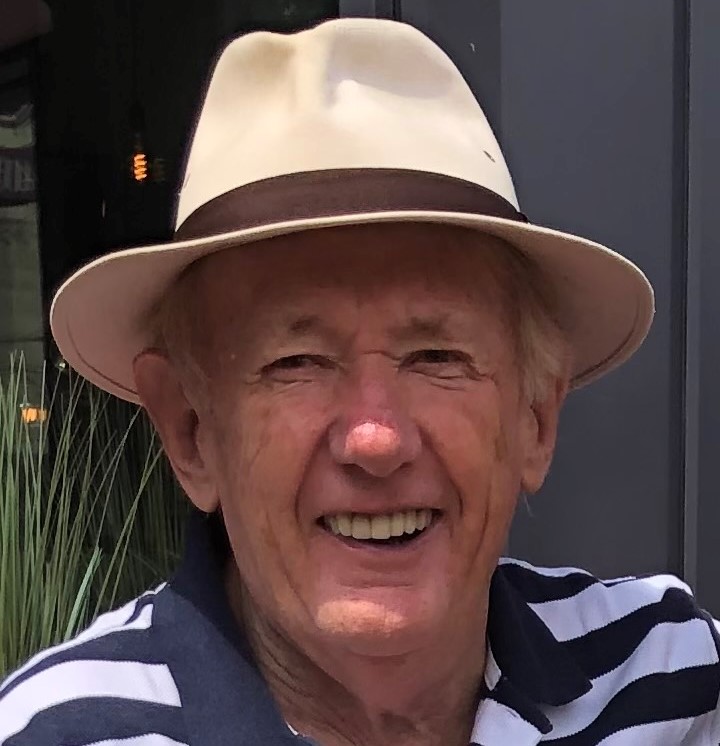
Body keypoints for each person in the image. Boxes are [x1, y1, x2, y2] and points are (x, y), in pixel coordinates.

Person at [1, 17, 718, 746]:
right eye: (296, 363)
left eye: (436, 356)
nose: (375, 440)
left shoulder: (671, 673)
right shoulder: (56, 734)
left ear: (535, 416)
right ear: (191, 433)